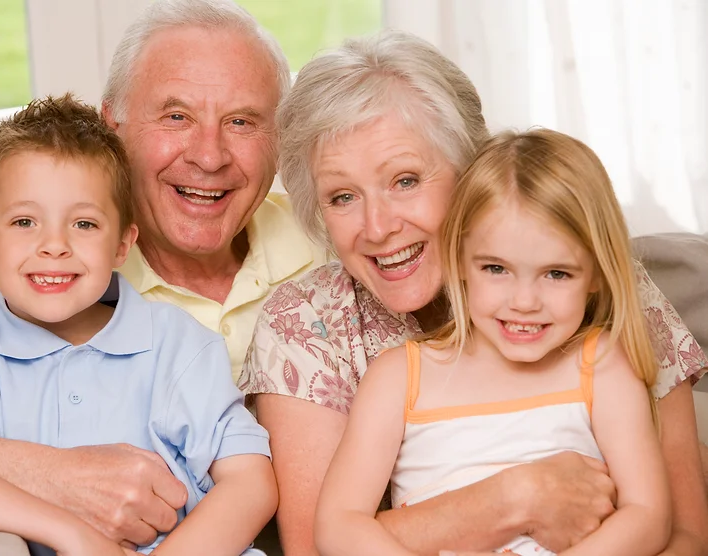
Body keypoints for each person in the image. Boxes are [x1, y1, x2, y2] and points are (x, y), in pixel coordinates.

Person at [0, 0, 323, 548]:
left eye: (242, 121)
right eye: (176, 116)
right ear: (115, 127)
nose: (209, 156)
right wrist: (51, 476)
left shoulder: (338, 237)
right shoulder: (24, 287)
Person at [240, 30, 708, 555]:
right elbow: (319, 548)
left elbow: (683, 533)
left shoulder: (599, 291)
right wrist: (515, 498)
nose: (376, 227)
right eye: (343, 196)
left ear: (471, 173)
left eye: (406, 180)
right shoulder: (311, 325)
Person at [315, 128, 671, 556]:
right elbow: (338, 526)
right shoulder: (398, 378)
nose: (524, 302)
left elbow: (648, 516)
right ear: (459, 258)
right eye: (496, 269)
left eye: (557, 273)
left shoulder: (603, 366)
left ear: (596, 273)